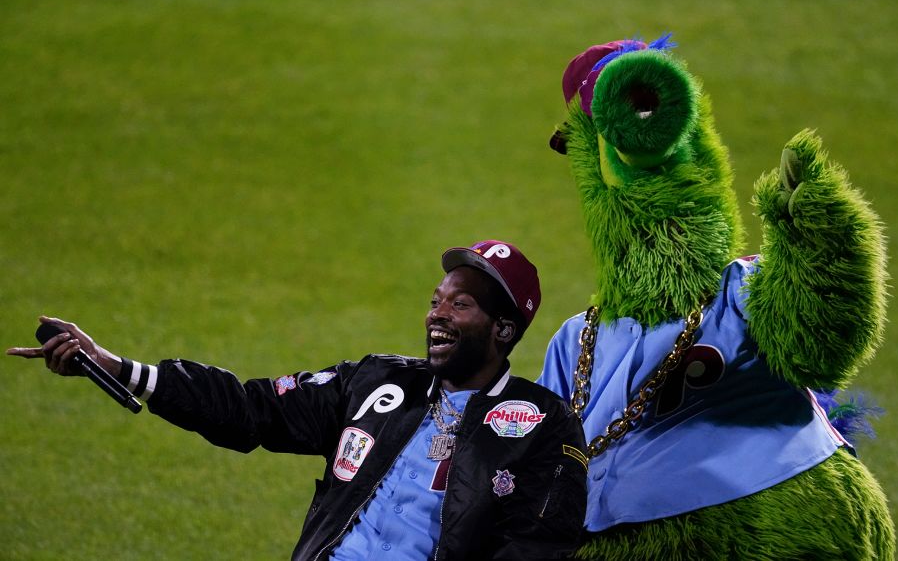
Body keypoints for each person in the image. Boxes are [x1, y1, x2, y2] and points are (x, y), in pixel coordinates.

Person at [8, 240, 588, 561]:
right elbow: (249, 409)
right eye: (437, 299)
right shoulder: (377, 383)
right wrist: (118, 368)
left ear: (504, 330)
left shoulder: (542, 425)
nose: (437, 313)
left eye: (460, 305)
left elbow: (537, 548)